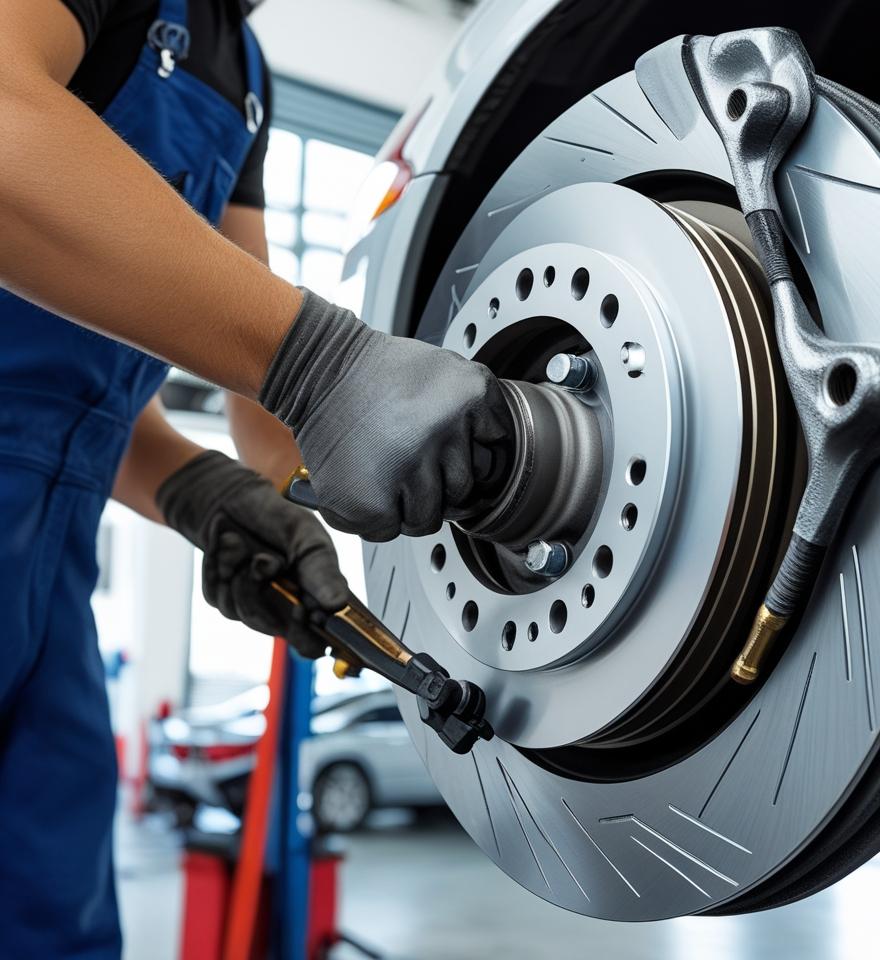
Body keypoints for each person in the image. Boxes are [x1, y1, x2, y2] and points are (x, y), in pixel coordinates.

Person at [0, 1, 508, 955]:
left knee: (51, 926)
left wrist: (216, 494)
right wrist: (326, 363)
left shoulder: (248, 78)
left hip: (46, 580)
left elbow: (241, 416)